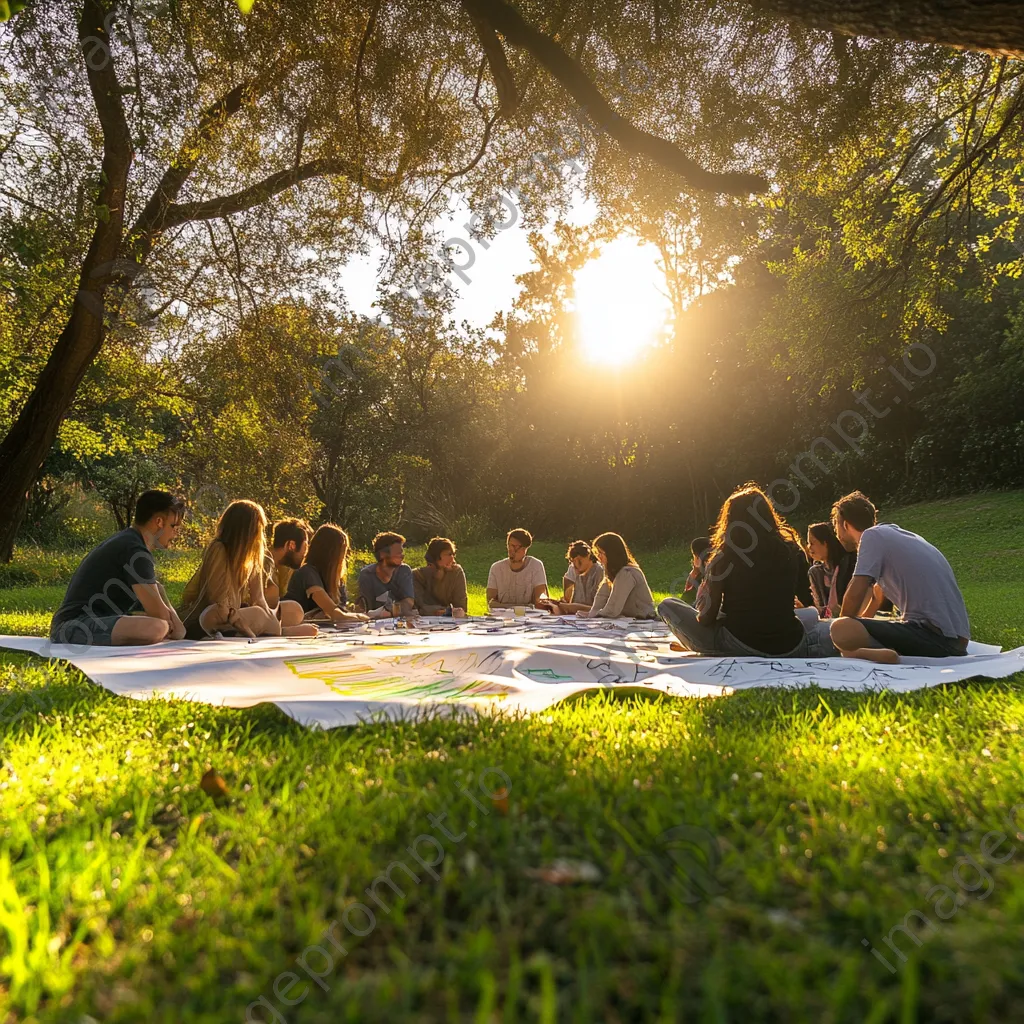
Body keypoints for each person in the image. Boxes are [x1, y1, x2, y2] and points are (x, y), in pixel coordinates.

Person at [658, 484, 834, 657]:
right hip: (790, 644)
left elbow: (706, 618)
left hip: (739, 644)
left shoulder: (724, 557)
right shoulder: (791, 550)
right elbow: (803, 599)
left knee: (667, 606)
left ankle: (701, 647)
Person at [829, 491, 971, 662]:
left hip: (937, 638)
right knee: (859, 626)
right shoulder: (895, 536)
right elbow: (874, 597)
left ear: (844, 524)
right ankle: (880, 650)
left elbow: (857, 589)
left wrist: (841, 626)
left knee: (841, 629)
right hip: (957, 641)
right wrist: (860, 622)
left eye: (835, 525)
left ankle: (858, 652)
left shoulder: (871, 536)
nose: (836, 534)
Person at [50, 489, 187, 647]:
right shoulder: (134, 550)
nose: (176, 534)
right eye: (174, 526)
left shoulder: (131, 542)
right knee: (157, 627)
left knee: (158, 611)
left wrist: (160, 595)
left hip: (86, 623)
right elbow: (163, 621)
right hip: (74, 626)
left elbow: (179, 631)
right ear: (159, 522)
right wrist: (162, 612)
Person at [179, 500, 315, 639]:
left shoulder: (252, 558)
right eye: (259, 529)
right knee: (215, 614)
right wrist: (253, 617)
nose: (261, 536)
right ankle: (273, 632)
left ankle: (260, 631)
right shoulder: (219, 549)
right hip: (213, 616)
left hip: (236, 614)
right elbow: (218, 599)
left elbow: (259, 599)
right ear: (246, 530)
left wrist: (270, 619)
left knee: (292, 610)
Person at [285, 523, 369, 625]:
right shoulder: (307, 573)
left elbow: (342, 610)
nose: (344, 558)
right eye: (343, 553)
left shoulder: (335, 580)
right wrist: (364, 618)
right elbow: (336, 614)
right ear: (331, 553)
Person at [580, 532, 657, 619]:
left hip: (644, 620)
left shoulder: (627, 573)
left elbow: (613, 609)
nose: (599, 557)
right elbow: (601, 598)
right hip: (630, 620)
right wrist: (590, 615)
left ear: (612, 554)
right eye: (597, 553)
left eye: (601, 553)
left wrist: (597, 615)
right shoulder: (611, 574)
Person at [357, 531, 416, 617]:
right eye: (398, 553)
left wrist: (388, 611)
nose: (402, 556)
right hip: (375, 623)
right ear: (382, 555)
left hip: (400, 622)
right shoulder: (367, 574)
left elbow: (409, 602)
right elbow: (366, 607)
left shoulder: (404, 571)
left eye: (402, 552)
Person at [486, 528, 548, 609]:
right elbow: (491, 602)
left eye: (515, 547)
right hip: (502, 617)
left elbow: (540, 600)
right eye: (509, 545)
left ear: (525, 548)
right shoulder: (496, 568)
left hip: (529, 617)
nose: (511, 550)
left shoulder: (536, 566)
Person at [806, 521, 855, 618]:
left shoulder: (848, 565)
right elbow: (820, 607)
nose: (809, 547)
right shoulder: (815, 572)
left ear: (825, 543)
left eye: (812, 543)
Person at [542, 540, 604, 614]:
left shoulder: (599, 572)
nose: (576, 566)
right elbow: (567, 581)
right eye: (573, 562)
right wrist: (564, 601)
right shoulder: (573, 568)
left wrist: (568, 606)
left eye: (580, 562)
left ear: (589, 556)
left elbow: (598, 608)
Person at [412, 537, 468, 616]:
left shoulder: (456, 573)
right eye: (448, 554)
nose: (452, 558)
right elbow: (419, 607)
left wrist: (447, 612)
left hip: (449, 622)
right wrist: (446, 611)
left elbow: (461, 607)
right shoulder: (417, 576)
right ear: (435, 557)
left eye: (453, 554)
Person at [263, 518, 311, 609]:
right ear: (291, 545)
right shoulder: (261, 565)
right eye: (305, 547)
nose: (305, 554)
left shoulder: (285, 569)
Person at [684, 536, 712, 616]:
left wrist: (695, 570)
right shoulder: (709, 571)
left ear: (697, 556)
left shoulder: (703, 577)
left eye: (693, 555)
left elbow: (685, 599)